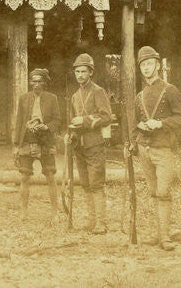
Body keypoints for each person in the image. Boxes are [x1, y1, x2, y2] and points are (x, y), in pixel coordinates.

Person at [127, 46, 181, 251]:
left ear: (158, 65)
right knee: (154, 192)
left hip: (164, 149)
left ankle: (165, 237)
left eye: (150, 64)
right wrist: (134, 141)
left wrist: (160, 124)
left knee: (163, 192)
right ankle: (158, 234)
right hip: (145, 150)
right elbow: (135, 125)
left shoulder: (170, 90)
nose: (146, 68)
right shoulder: (139, 96)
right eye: (143, 65)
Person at [66, 52, 114, 234]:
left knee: (96, 183)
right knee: (85, 184)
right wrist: (70, 135)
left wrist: (85, 121)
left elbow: (107, 117)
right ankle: (91, 221)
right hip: (80, 146)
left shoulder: (98, 91)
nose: (80, 75)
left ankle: (101, 223)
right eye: (77, 71)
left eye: (83, 71)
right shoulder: (74, 96)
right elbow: (72, 121)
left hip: (94, 145)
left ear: (90, 72)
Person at [12, 67, 62, 224]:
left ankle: (55, 212)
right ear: (30, 83)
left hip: (45, 140)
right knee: (25, 176)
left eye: (40, 81)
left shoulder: (52, 98)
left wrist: (46, 127)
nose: (36, 84)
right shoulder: (24, 99)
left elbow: (57, 120)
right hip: (27, 140)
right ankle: (24, 212)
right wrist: (16, 145)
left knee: (50, 176)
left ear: (45, 83)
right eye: (33, 81)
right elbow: (19, 121)